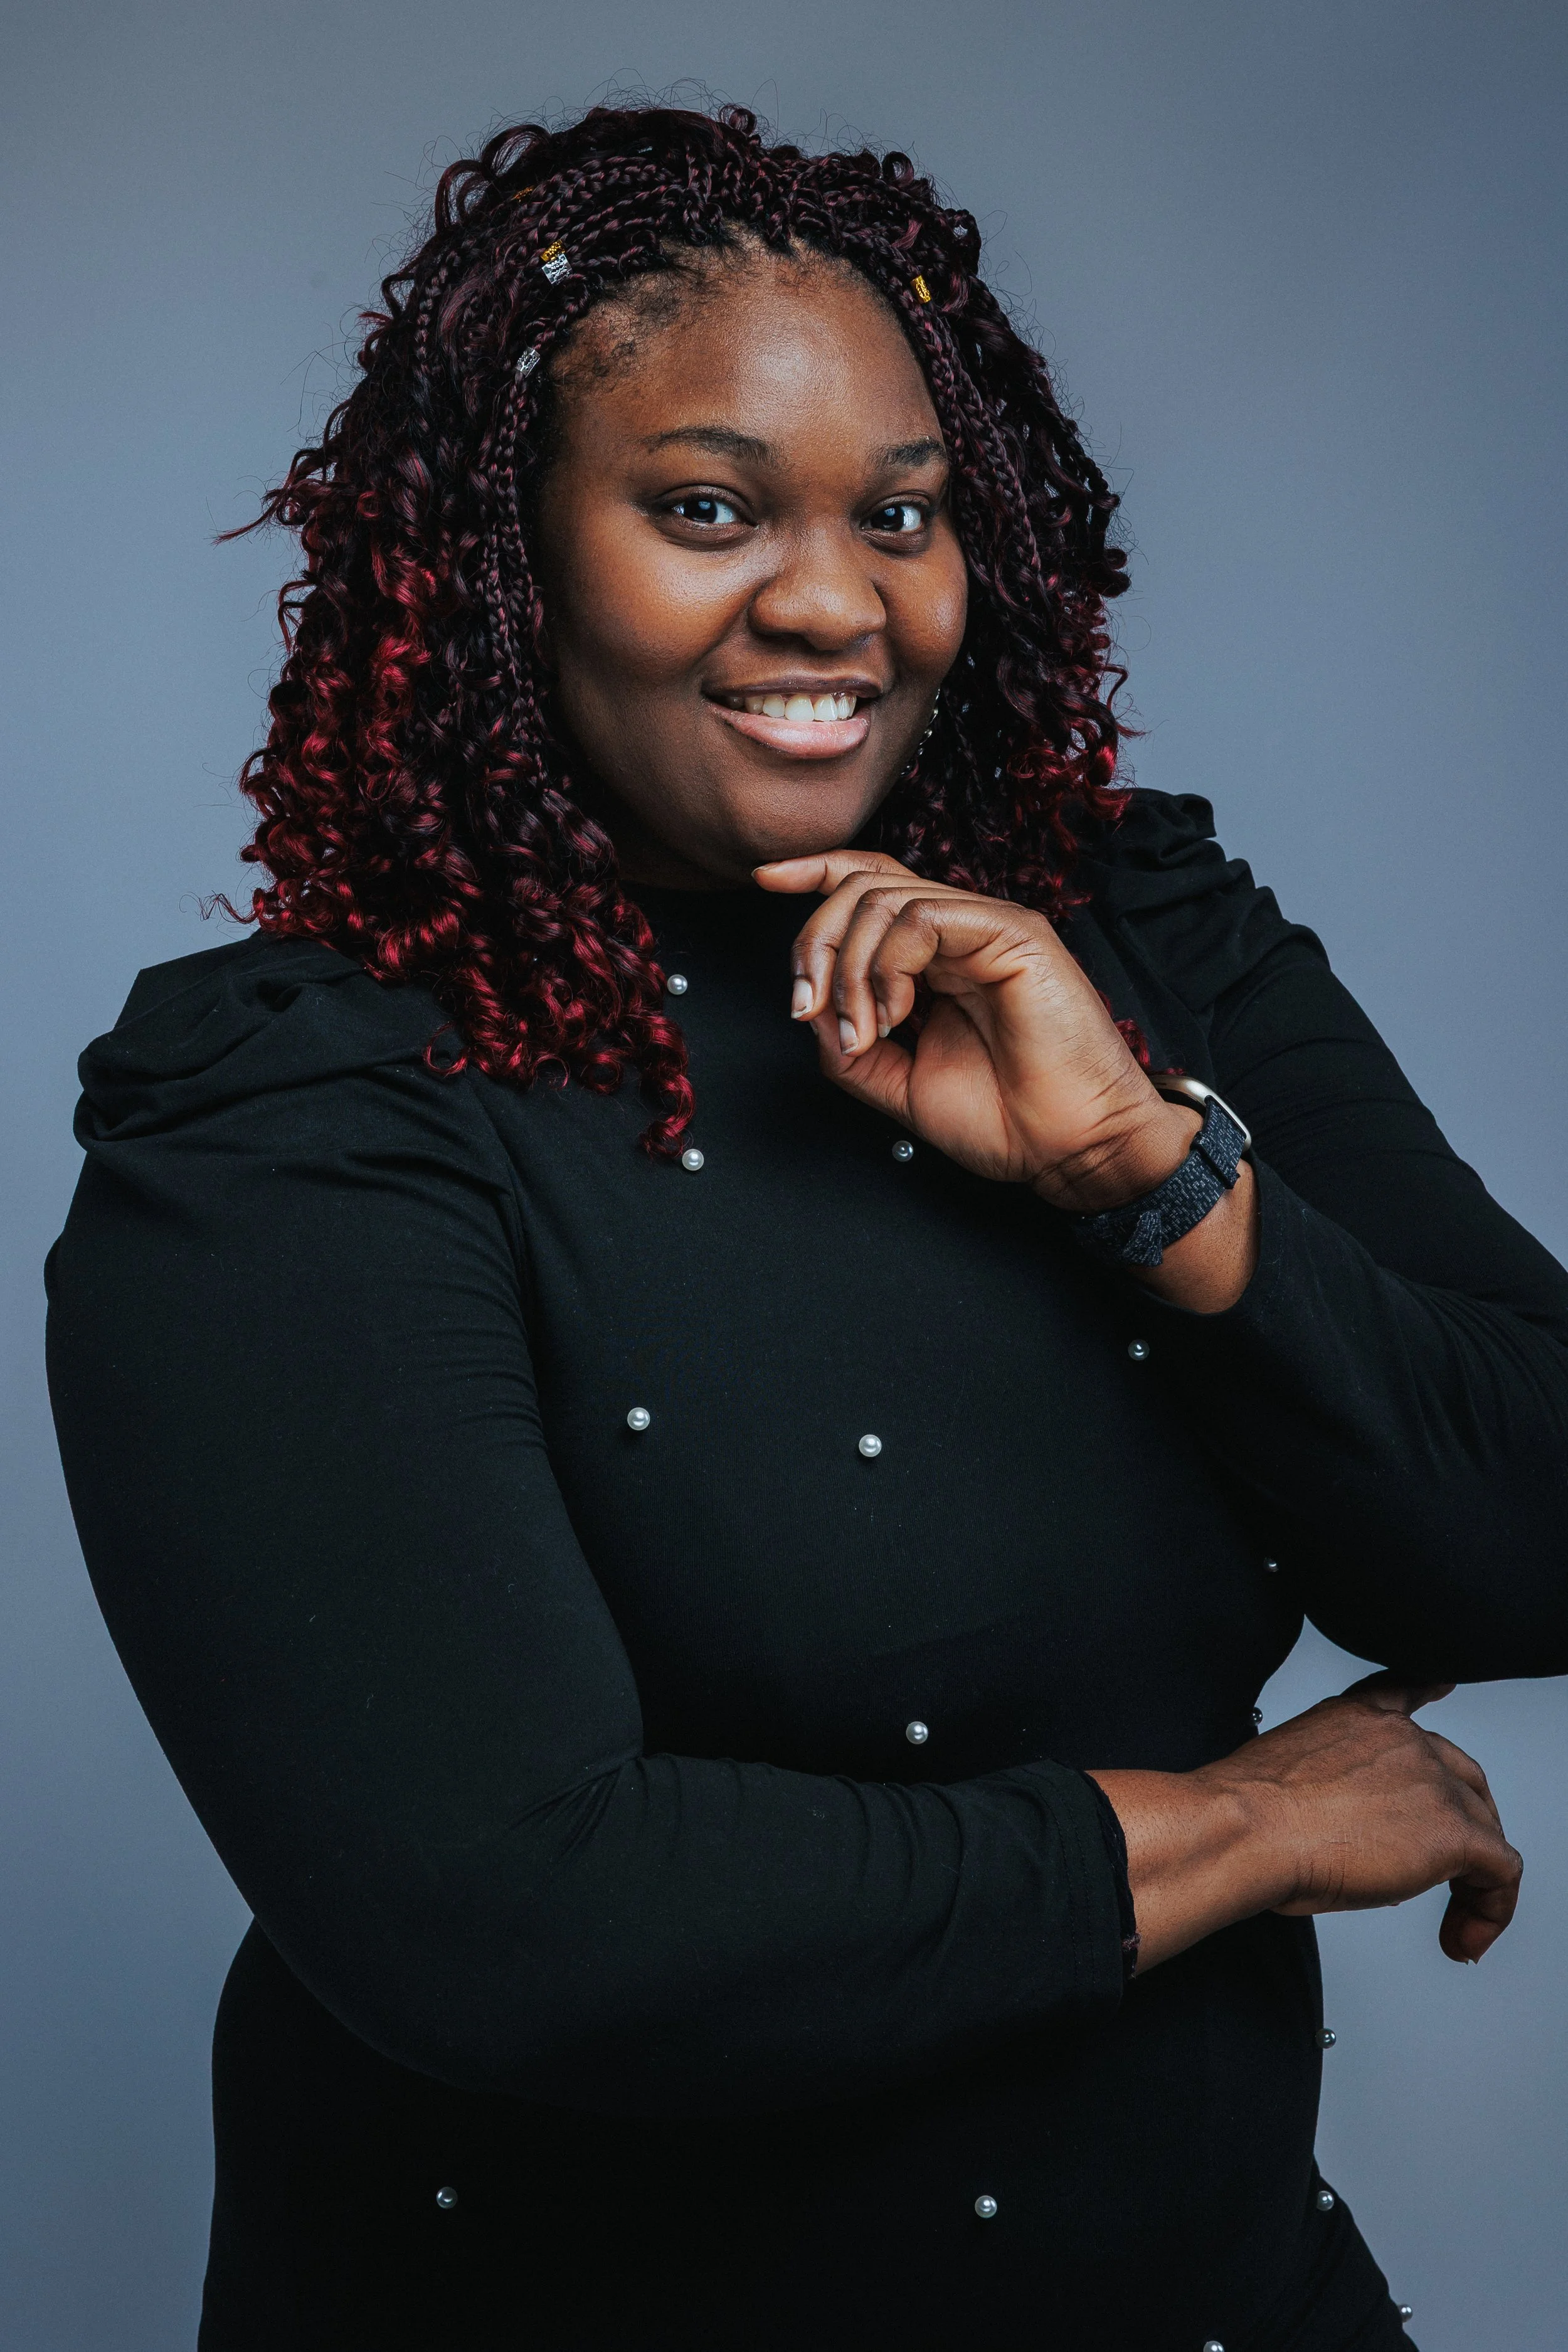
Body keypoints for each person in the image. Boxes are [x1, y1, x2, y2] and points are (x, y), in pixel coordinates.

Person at [45, 101, 1568, 2352]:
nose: (836, 599)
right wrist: (1239, 1829)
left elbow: (1532, 1531)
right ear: (509, 559)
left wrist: (1149, 1173)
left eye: (904, 514)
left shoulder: (1137, 936)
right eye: (704, 508)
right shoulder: (298, 1113)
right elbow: (511, 1916)